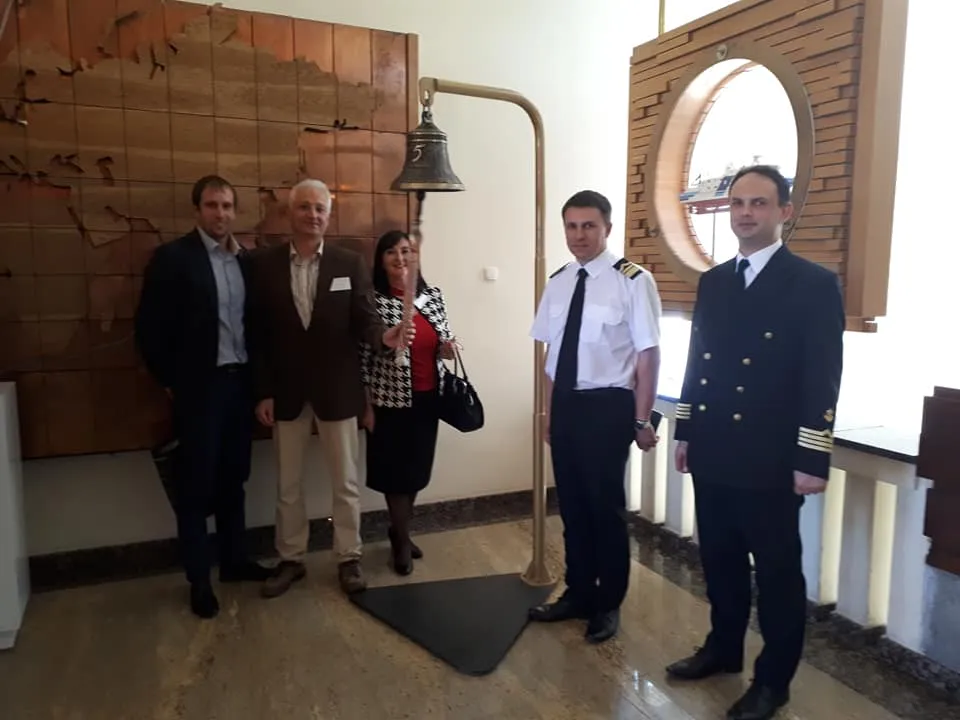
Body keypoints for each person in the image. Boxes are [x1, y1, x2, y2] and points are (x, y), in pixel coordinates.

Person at [665, 165, 844, 720]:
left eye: (759, 203)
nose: (745, 213)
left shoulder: (813, 284)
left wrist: (812, 456)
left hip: (771, 458)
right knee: (718, 561)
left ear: (784, 212)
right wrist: (686, 429)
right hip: (715, 448)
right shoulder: (715, 280)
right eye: (738, 203)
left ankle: (773, 681)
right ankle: (723, 648)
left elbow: (823, 376)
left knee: (777, 575)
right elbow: (698, 361)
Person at [247, 179, 412, 598]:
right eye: (305, 207)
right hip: (285, 392)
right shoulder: (263, 265)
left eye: (320, 208)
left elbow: (365, 320)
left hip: (337, 390)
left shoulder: (348, 263)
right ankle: (291, 558)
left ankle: (348, 557)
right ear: (290, 213)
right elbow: (258, 335)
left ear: (328, 215)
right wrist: (263, 391)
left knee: (345, 482)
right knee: (288, 484)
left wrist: (384, 337)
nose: (313, 215)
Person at [134, 175, 273, 619]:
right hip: (200, 389)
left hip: (239, 386)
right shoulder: (173, 259)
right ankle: (199, 579)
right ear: (197, 210)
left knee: (234, 478)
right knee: (195, 486)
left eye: (227, 206)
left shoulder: (245, 261)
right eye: (212, 205)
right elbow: (148, 328)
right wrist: (170, 381)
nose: (221, 214)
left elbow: (256, 326)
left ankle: (233, 561)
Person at [527, 189, 662, 643]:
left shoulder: (632, 280)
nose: (579, 235)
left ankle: (608, 603)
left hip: (608, 406)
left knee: (604, 509)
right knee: (573, 506)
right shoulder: (560, 280)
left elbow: (648, 355)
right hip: (567, 404)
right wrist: (547, 411)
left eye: (589, 226)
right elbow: (550, 354)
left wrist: (642, 420)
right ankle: (579, 592)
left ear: (607, 227)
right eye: (571, 226)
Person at [359, 230, 458, 575]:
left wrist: (447, 349)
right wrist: (366, 406)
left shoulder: (432, 297)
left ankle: (399, 530)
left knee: (415, 473)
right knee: (395, 476)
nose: (400, 258)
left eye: (405, 251)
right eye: (391, 252)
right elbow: (362, 358)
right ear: (381, 260)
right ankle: (400, 541)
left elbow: (442, 342)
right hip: (388, 403)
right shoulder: (372, 300)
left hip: (428, 399)